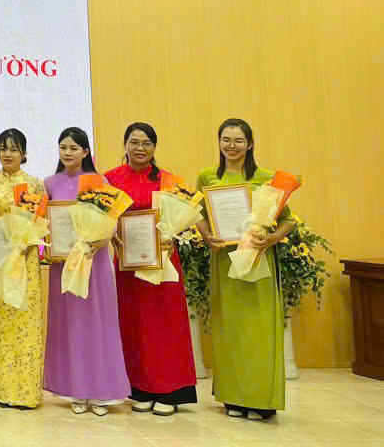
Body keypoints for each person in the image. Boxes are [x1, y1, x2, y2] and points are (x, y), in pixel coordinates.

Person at [196, 118, 293, 420]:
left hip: (258, 260)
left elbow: (288, 220)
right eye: (226, 139)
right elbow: (198, 214)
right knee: (229, 329)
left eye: (239, 140)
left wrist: (272, 239)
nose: (232, 146)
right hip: (225, 261)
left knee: (259, 329)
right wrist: (206, 235)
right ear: (219, 142)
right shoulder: (208, 177)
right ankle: (234, 397)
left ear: (250, 144)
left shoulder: (266, 178)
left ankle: (262, 400)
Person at [106, 122, 198, 416]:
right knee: (134, 324)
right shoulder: (110, 179)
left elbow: (185, 219)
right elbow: (102, 217)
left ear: (154, 148)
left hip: (163, 263)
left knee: (164, 325)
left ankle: (169, 390)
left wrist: (174, 234)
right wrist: (110, 233)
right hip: (128, 266)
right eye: (134, 142)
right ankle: (140, 388)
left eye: (147, 143)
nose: (140, 148)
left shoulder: (169, 181)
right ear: (125, 144)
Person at [43, 127, 130, 416]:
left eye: (73, 148)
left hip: (94, 260)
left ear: (85, 151)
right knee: (70, 325)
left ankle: (101, 392)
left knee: (96, 323)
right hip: (64, 263)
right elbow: (44, 221)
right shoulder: (49, 183)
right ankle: (76, 390)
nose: (67, 153)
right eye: (63, 147)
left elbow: (111, 219)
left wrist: (102, 240)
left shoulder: (99, 181)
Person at [0, 128, 46, 409]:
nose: (7, 154)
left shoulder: (35, 185)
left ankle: (25, 392)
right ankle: (0, 389)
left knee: (24, 321)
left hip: (24, 260)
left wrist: (27, 242)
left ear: (24, 153)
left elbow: (42, 222)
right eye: (3, 148)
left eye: (14, 149)